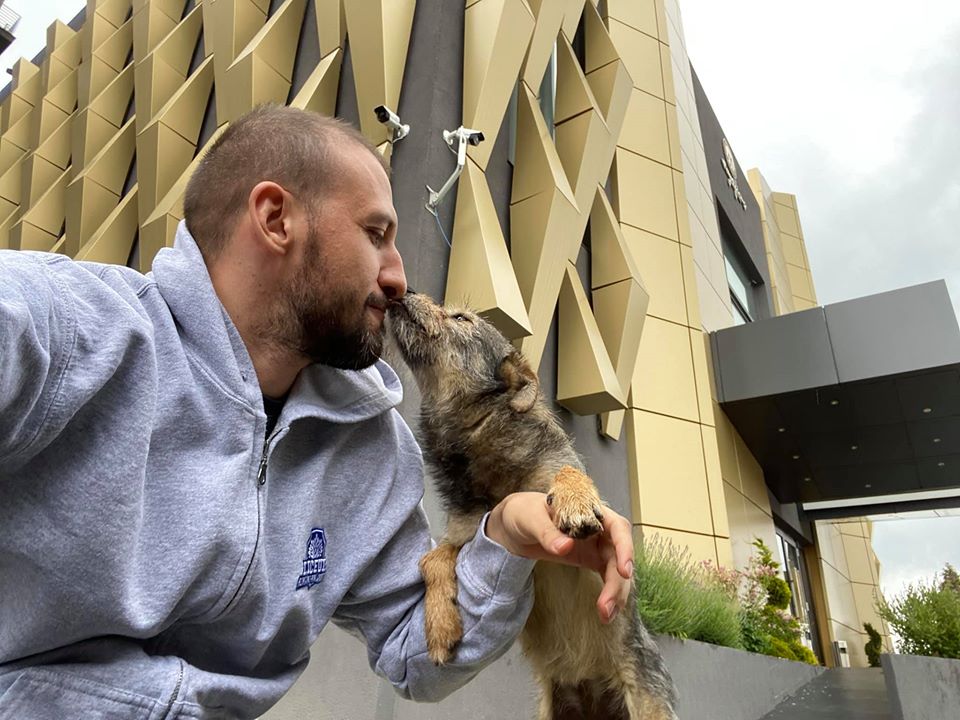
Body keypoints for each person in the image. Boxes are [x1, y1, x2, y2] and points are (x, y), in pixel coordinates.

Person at [0, 105, 634, 718]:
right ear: (276, 219)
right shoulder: (77, 329)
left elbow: (418, 652)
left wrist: (506, 539)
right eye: (376, 235)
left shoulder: (371, 447)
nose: (398, 277)